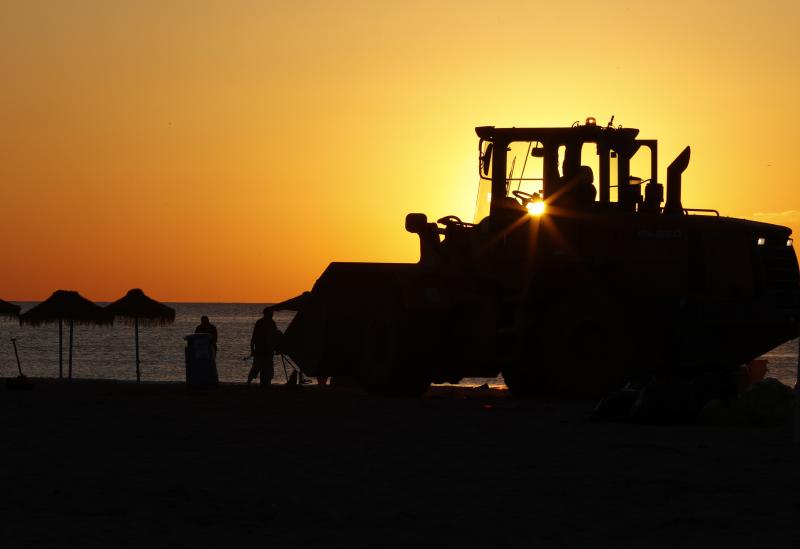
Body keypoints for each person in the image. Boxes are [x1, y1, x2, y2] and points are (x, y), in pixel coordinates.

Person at [248, 307, 283, 387]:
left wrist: (277, 348)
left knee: (267, 370)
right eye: (270, 313)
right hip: (260, 350)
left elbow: (274, 336)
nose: (272, 315)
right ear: (266, 314)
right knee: (256, 368)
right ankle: (249, 382)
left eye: (272, 313)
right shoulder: (259, 323)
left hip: (268, 350)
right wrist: (252, 350)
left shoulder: (272, 323)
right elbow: (254, 337)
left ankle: (265, 384)